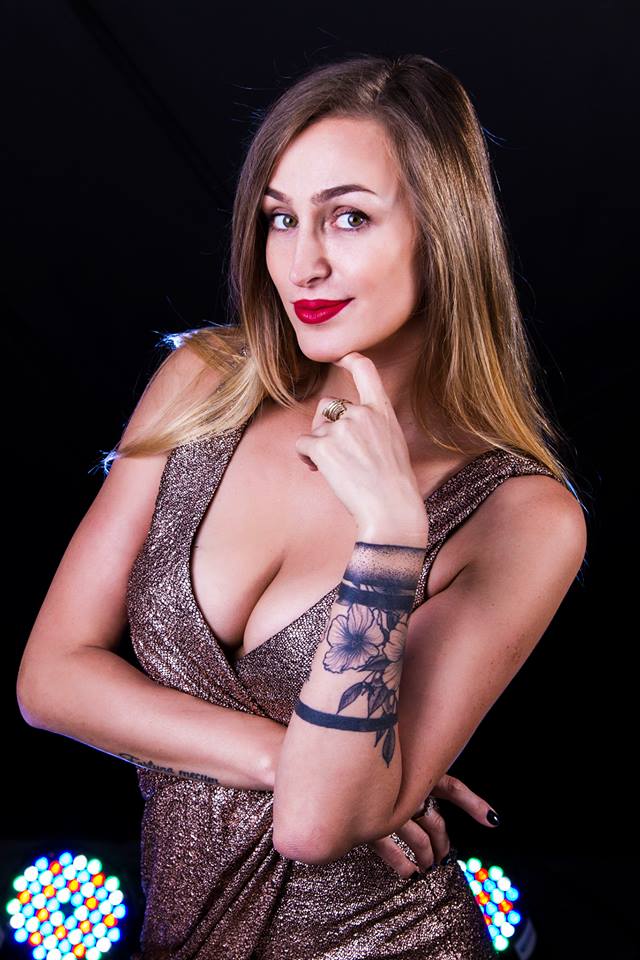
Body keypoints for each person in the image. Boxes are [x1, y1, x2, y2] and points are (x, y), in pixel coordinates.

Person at [17, 53, 588, 958]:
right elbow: (50, 679)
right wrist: (285, 755)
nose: (302, 262)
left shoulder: (523, 517)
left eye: (349, 217)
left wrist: (391, 538)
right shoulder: (203, 384)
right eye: (281, 218)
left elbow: (316, 825)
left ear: (443, 234)